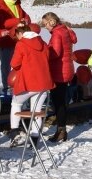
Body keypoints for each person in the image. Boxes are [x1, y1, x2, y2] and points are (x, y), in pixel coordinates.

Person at [8, 24, 54, 146]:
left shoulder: (21, 44)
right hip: (44, 82)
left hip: (28, 83)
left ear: (20, 33)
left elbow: (15, 63)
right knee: (36, 111)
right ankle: (34, 138)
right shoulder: (43, 43)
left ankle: (14, 132)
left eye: (16, 35)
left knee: (16, 103)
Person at [42, 12, 78, 142]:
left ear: (52, 21)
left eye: (46, 23)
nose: (45, 27)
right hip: (66, 68)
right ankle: (61, 130)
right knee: (61, 100)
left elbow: (56, 53)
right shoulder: (64, 30)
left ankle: (61, 130)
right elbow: (74, 40)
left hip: (59, 71)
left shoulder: (57, 33)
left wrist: (44, 54)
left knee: (59, 102)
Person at [0, 0, 31, 91]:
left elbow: (25, 15)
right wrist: (18, 21)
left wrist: (26, 20)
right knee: (6, 66)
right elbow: (2, 23)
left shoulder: (16, 4)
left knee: (19, 65)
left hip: (18, 40)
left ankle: (18, 85)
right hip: (5, 41)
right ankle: (6, 87)